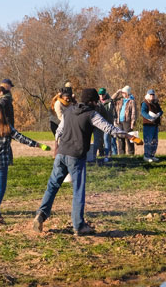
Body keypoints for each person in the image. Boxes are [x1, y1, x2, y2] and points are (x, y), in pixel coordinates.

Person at [33, 88, 136, 236]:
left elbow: (58, 132)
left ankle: (41, 214)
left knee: (53, 185)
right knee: (78, 191)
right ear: (93, 101)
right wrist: (128, 136)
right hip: (76, 156)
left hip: (61, 153)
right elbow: (109, 129)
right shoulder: (91, 114)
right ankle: (79, 226)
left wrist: (58, 146)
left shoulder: (68, 112)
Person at [0, 104, 50, 226]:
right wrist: (37, 145)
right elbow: (21, 138)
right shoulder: (6, 128)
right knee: (0, 190)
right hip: (0, 164)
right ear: (2, 114)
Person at [112, 86, 137, 155]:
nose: (122, 94)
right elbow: (111, 100)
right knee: (120, 139)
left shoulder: (132, 101)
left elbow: (134, 113)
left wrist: (132, 123)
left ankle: (131, 153)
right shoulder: (120, 100)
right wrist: (117, 92)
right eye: (122, 93)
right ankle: (121, 154)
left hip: (127, 122)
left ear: (127, 93)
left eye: (123, 92)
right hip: (119, 122)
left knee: (129, 138)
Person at [140, 89, 163, 163]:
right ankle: (146, 156)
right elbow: (143, 112)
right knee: (148, 141)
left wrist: (159, 114)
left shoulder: (156, 103)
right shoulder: (145, 103)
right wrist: (149, 117)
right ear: (147, 95)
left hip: (155, 124)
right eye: (150, 95)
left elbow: (161, 111)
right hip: (147, 125)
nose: (152, 96)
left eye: (153, 95)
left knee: (154, 141)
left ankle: (152, 155)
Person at [97, 88, 118, 162]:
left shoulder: (110, 102)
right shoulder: (97, 102)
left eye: (103, 94)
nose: (101, 96)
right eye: (100, 94)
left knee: (106, 139)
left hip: (108, 123)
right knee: (99, 140)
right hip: (99, 124)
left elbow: (113, 112)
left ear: (105, 94)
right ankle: (101, 154)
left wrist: (114, 121)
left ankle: (107, 155)